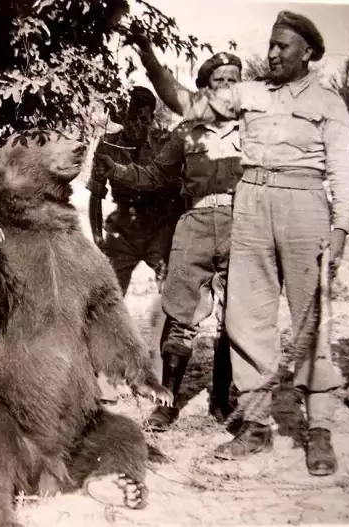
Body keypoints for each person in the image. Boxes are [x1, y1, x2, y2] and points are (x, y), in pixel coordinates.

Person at [127, 12, 349, 476]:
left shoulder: (328, 102)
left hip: (304, 202)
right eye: (270, 45)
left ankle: (319, 431)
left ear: (308, 52)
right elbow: (185, 102)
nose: (272, 53)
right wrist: (148, 55)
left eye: (283, 47)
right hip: (249, 200)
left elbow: (343, 171)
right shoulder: (250, 94)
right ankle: (254, 426)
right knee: (243, 317)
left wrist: (340, 229)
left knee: (311, 316)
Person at [99, 52, 243, 430]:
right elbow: (152, 176)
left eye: (235, 80)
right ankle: (168, 402)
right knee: (180, 314)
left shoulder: (254, 129)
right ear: (204, 89)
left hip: (241, 226)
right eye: (220, 81)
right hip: (194, 224)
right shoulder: (186, 133)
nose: (229, 88)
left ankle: (221, 397)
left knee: (234, 318)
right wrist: (116, 169)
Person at [87, 86, 185, 295]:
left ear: (151, 119)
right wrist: (97, 238)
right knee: (109, 297)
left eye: (144, 118)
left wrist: (173, 236)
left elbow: (180, 191)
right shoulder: (107, 146)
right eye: (132, 117)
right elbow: (95, 195)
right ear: (122, 117)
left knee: (173, 295)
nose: (137, 124)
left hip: (159, 228)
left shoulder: (164, 144)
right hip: (123, 230)